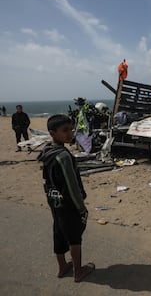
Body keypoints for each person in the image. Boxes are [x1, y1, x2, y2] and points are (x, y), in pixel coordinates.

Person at [37, 114, 95, 282]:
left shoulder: (48, 152)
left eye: (70, 129)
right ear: (52, 133)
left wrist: (51, 200)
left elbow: (47, 181)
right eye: (64, 130)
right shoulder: (63, 156)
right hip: (68, 205)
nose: (70, 133)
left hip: (55, 202)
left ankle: (62, 268)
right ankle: (78, 272)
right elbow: (72, 186)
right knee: (74, 237)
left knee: (59, 234)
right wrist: (81, 206)